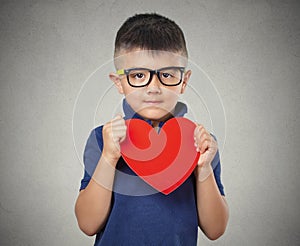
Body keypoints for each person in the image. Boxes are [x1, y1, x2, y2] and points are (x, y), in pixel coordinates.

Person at [75, 13, 229, 245]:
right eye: (138, 75)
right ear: (119, 83)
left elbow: (215, 229)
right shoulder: (102, 138)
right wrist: (109, 157)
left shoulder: (200, 143)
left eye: (167, 75)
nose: (154, 88)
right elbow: (88, 224)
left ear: (184, 81)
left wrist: (204, 168)